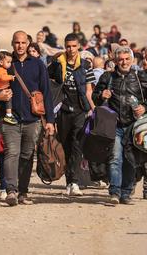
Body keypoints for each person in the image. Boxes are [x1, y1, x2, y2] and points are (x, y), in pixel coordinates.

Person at [0, 31, 55, 206]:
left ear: (28, 43)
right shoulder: (6, 64)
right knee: (12, 153)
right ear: (12, 44)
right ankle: (11, 190)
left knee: (27, 155)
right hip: (10, 119)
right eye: (16, 42)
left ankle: (23, 192)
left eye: (23, 42)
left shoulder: (38, 65)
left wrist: (50, 120)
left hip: (32, 120)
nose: (20, 46)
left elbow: (47, 93)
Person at [92, 47, 147, 205]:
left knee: (131, 160)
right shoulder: (107, 77)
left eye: (127, 59)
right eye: (121, 59)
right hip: (114, 125)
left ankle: (126, 193)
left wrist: (145, 107)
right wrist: (101, 95)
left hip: (134, 126)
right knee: (115, 158)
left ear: (132, 60)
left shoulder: (139, 76)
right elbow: (95, 97)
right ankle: (115, 192)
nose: (124, 62)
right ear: (115, 61)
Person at [48, 33, 96, 197]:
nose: (71, 49)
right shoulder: (57, 64)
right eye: (68, 46)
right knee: (66, 146)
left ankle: (74, 182)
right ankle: (69, 181)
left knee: (77, 146)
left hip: (80, 111)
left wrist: (93, 109)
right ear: (65, 46)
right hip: (62, 111)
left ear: (78, 47)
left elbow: (89, 90)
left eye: (74, 46)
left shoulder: (84, 66)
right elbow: (48, 84)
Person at [0, 51, 17, 125]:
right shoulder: (0, 70)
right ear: (1, 62)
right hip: (1, 87)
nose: (10, 64)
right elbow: (3, 77)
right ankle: (9, 115)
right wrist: (11, 77)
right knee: (8, 98)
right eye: (8, 62)